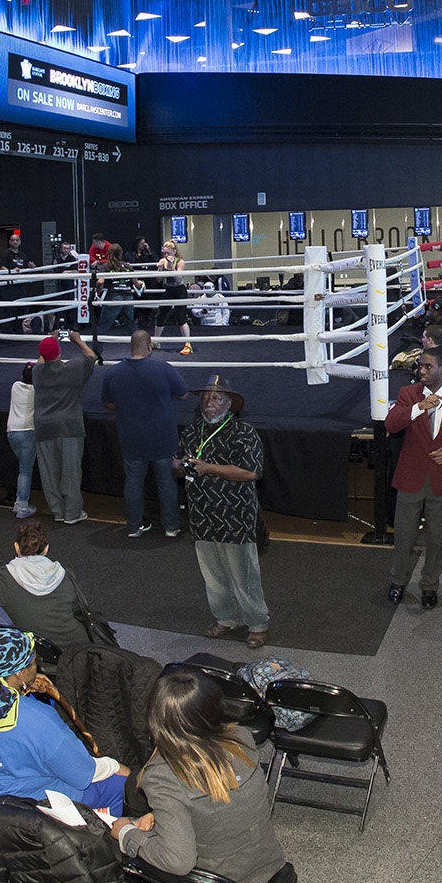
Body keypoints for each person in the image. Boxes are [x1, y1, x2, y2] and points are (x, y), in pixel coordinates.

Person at [112, 669, 288, 883]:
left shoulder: (162, 777)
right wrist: (159, 815)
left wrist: (127, 834)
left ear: (155, 719)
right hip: (267, 859)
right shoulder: (241, 737)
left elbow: (178, 862)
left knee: (120, 845)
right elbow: (222, 803)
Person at [0, 627, 127, 809]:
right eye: (34, 663)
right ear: (20, 672)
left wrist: (18, 692)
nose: (37, 667)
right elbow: (82, 774)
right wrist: (114, 766)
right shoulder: (40, 719)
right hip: (27, 804)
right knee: (119, 785)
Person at [178, 375, 272, 647]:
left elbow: (251, 472)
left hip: (235, 516)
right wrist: (180, 465)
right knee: (213, 576)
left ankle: (257, 624)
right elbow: (178, 462)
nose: (210, 402)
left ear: (229, 404)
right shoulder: (192, 431)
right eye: (206, 397)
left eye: (217, 397)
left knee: (244, 576)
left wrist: (209, 468)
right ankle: (226, 618)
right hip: (202, 515)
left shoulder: (243, 432)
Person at [384, 348, 442, 610]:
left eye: (428, 366)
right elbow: (391, 424)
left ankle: (429, 586)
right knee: (404, 536)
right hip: (410, 478)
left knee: (437, 538)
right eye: (420, 366)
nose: (422, 371)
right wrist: (418, 408)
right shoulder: (408, 394)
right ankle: (398, 582)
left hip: (441, 479)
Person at [0, 518, 100, 652]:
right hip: (79, 651)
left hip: (41, 653)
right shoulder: (64, 574)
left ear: (16, 547)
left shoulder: (5, 579)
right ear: (46, 549)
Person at [103, 330, 192, 537]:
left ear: (130, 347)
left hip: (131, 437)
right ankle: (171, 526)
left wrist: (128, 407)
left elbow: (108, 402)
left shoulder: (112, 373)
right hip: (162, 437)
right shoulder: (164, 369)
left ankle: (134, 526)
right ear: (150, 346)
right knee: (166, 482)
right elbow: (184, 394)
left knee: (133, 482)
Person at [33, 332, 98, 525]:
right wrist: (78, 340)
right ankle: (72, 512)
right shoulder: (73, 368)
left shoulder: (36, 372)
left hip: (44, 426)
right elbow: (91, 357)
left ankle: (57, 511)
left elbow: (41, 360)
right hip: (69, 426)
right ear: (59, 352)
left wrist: (51, 341)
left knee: (49, 473)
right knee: (71, 472)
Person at [8, 362, 38, 519]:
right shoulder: (36, 391)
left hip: (12, 431)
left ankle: (19, 502)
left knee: (23, 468)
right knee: (25, 470)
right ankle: (22, 505)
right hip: (27, 431)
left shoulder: (15, 386)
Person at [153, 240, 194, 355]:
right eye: (165, 253)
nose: (166, 255)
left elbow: (178, 278)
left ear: (174, 251)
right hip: (169, 290)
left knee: (181, 317)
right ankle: (156, 342)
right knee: (160, 315)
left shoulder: (180, 262)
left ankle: (188, 345)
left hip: (179, 290)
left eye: (168, 253)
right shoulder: (162, 261)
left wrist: (171, 267)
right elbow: (158, 280)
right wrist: (159, 269)